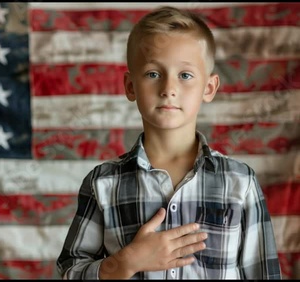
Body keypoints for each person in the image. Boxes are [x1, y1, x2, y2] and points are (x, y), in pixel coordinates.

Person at [55, 6, 282, 280]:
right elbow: (68, 272)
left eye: (185, 75)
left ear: (208, 88)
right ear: (130, 87)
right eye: (153, 74)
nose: (168, 89)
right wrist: (126, 261)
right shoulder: (103, 183)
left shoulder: (240, 182)